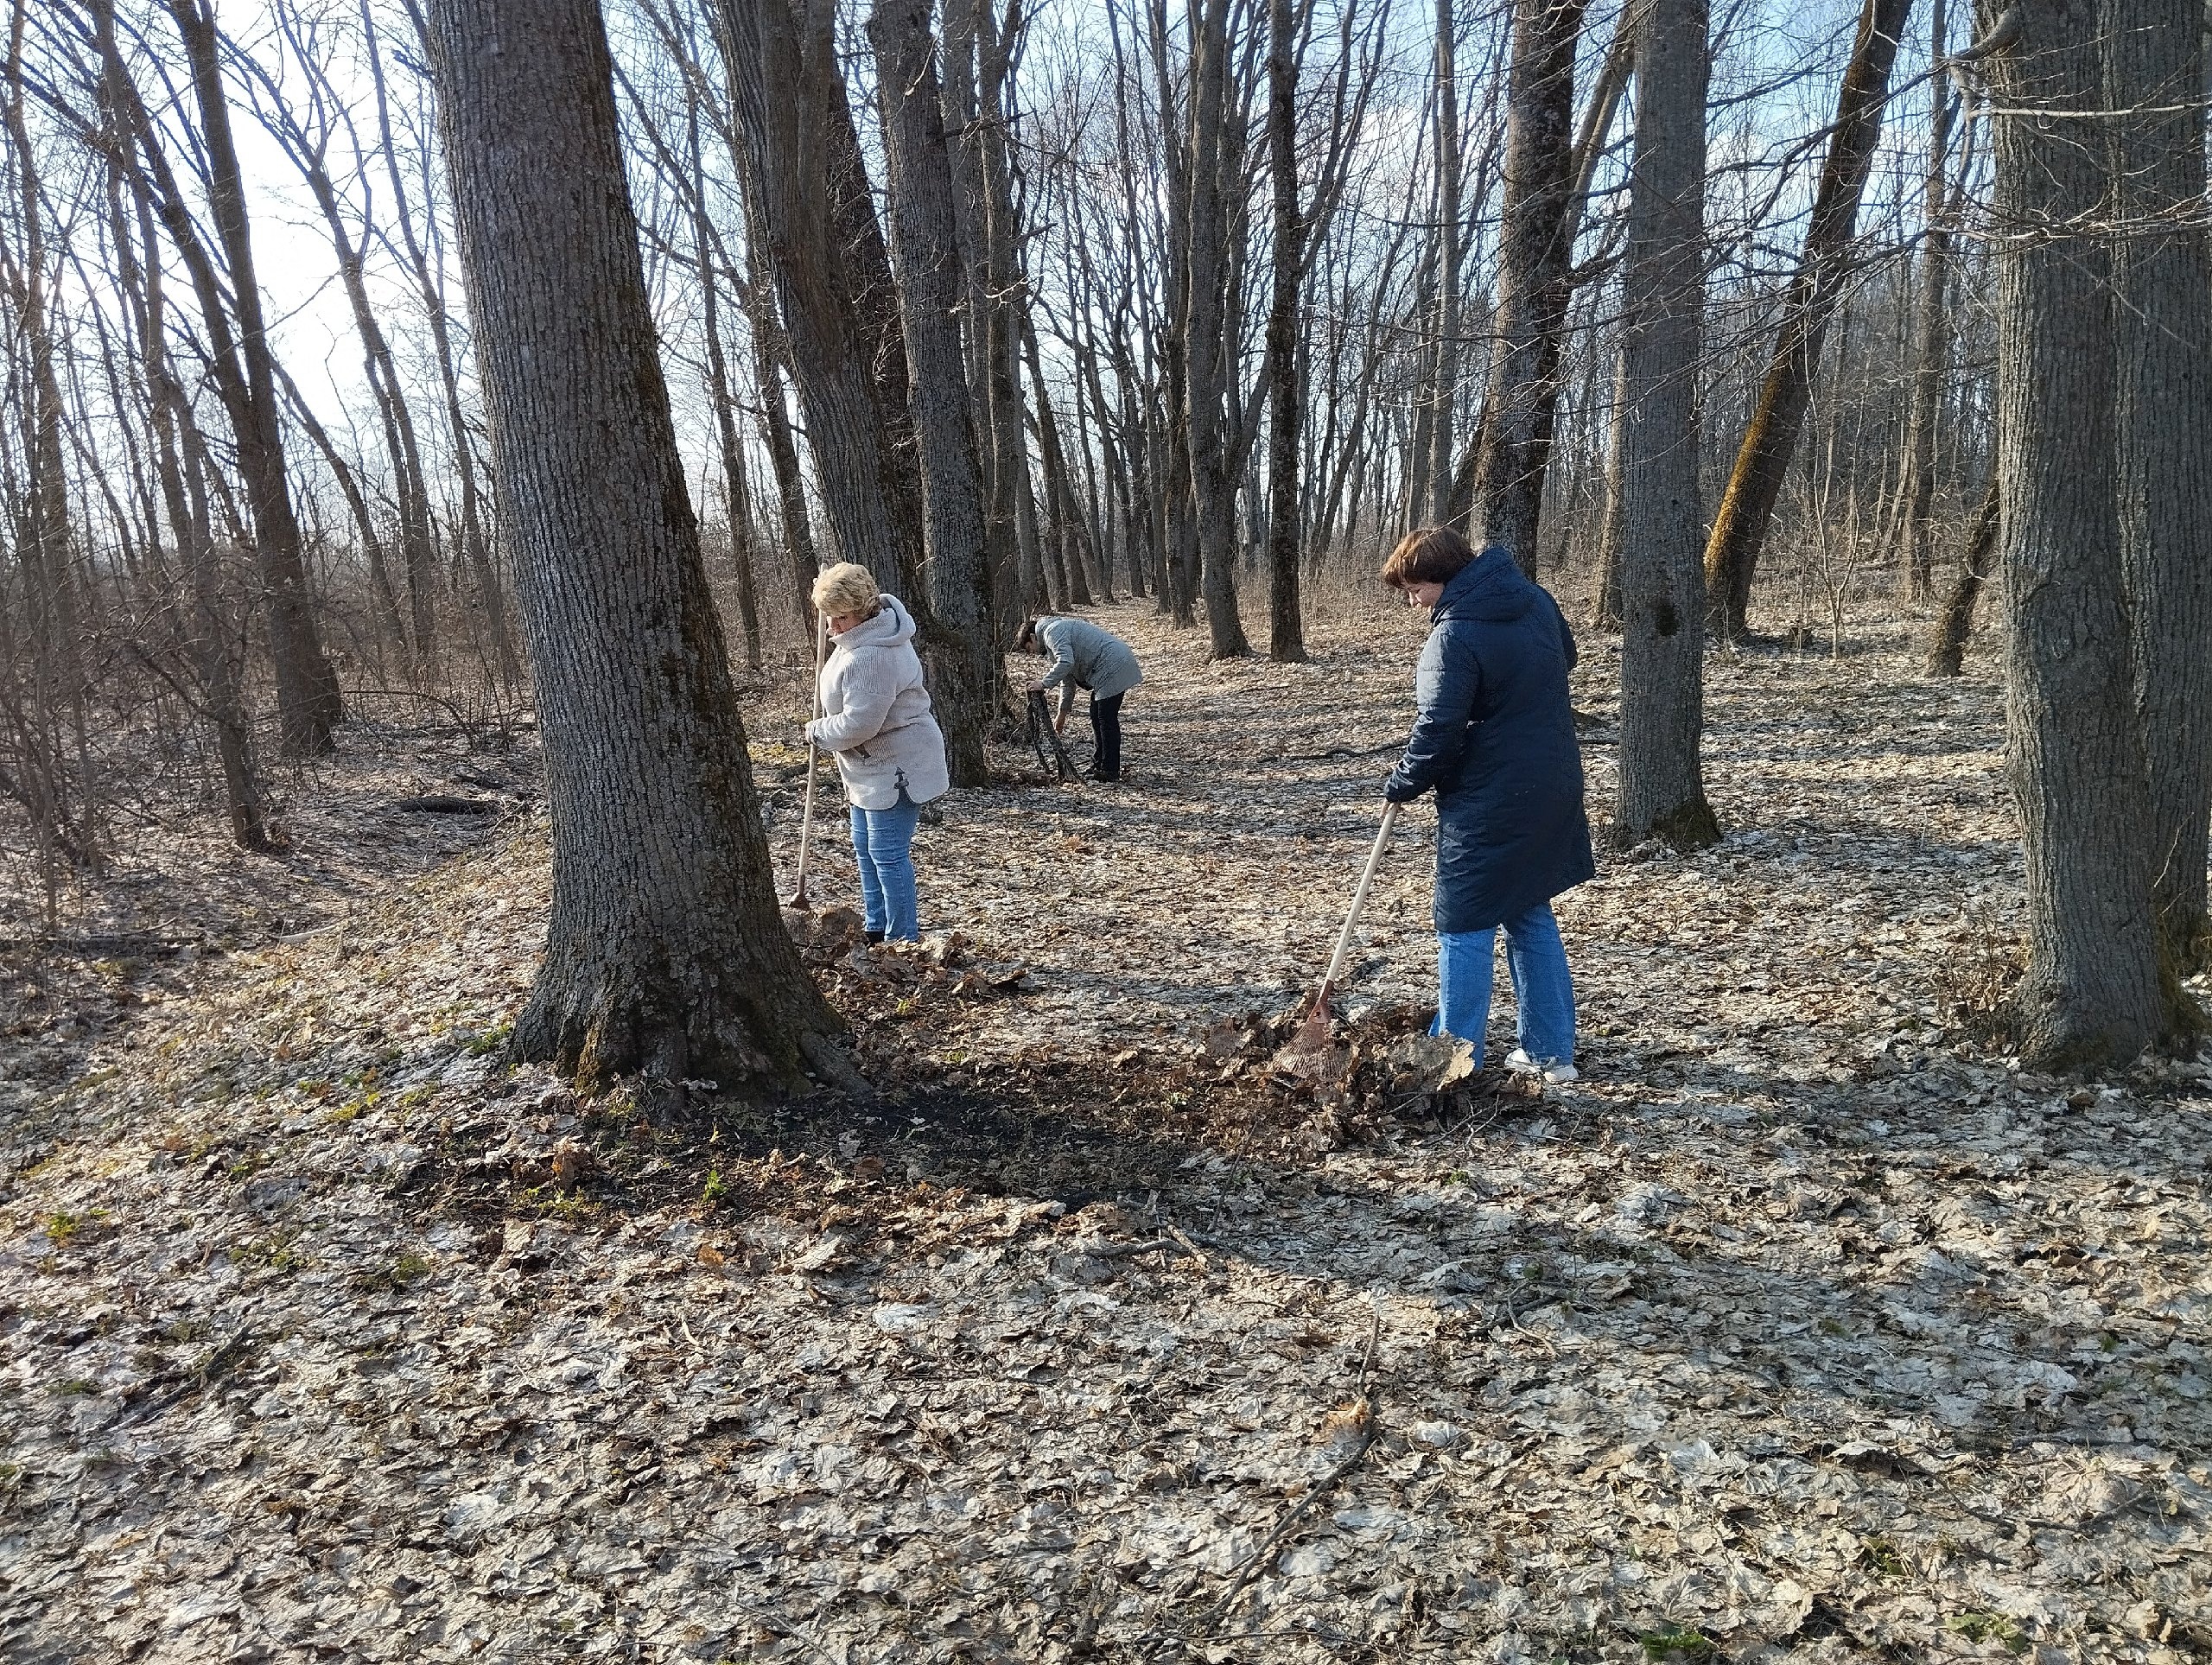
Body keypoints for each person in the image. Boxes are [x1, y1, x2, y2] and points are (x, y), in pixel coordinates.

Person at [1380, 526, 1594, 1084]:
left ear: (1440, 577)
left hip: (1492, 796)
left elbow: (1439, 726)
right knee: (1527, 907)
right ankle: (1551, 1052)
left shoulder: (1455, 635)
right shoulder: (1537, 600)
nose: (1414, 600)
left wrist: (1405, 780)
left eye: (1416, 587)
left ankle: (1452, 1061)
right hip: (1553, 779)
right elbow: (1562, 661)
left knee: (1465, 921)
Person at [804, 562, 949, 944]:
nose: (831, 628)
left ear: (863, 611)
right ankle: (876, 925)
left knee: (887, 853)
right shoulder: (859, 640)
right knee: (865, 848)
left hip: (898, 764)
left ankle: (902, 939)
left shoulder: (873, 655)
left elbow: (858, 726)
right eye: (829, 617)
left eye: (841, 618)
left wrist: (817, 731)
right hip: (868, 767)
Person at [1015, 613, 1142, 781]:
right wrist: (1062, 713)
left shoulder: (1052, 632)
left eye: (1029, 648)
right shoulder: (1053, 636)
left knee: (1105, 719)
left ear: (1032, 637)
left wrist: (1044, 683)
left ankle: (1110, 770)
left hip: (1113, 665)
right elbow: (1067, 679)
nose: (1032, 653)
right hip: (1109, 667)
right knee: (1097, 715)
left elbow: (1065, 663)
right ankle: (1099, 764)